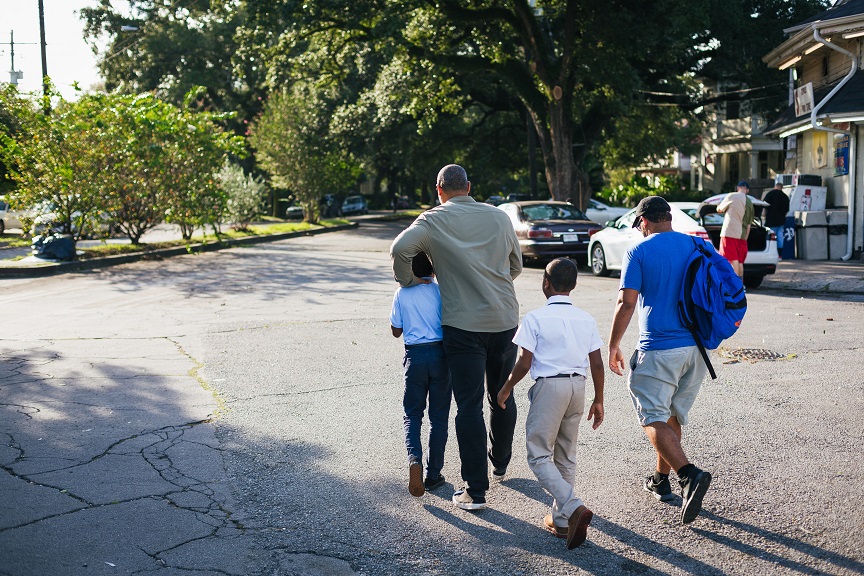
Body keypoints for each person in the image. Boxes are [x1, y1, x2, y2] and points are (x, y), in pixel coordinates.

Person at [390, 164, 522, 511]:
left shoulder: (432, 220)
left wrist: (407, 281)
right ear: (469, 186)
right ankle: (501, 461)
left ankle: (475, 491)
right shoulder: (499, 217)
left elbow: (399, 250)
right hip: (504, 318)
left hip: (463, 326)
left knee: (468, 405)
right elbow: (516, 266)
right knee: (502, 393)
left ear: (439, 189)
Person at [608, 196, 712, 525]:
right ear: (669, 216)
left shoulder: (639, 250)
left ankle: (688, 475)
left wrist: (613, 345)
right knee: (670, 415)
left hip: (658, 348)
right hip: (696, 350)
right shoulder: (696, 245)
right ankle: (660, 480)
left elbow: (627, 303)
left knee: (652, 416)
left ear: (644, 222)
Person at [496, 258, 605, 549]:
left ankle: (573, 506)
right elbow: (596, 362)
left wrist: (506, 387)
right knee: (566, 455)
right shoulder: (586, 318)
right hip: (578, 386)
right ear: (574, 285)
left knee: (539, 454)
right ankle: (560, 520)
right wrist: (599, 399)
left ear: (546, 283)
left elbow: (524, 361)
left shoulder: (535, 318)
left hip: (550, 387)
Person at [390, 252, 451, 498]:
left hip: (414, 357)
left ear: (410, 272)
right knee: (438, 418)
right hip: (440, 356)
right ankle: (433, 474)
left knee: (413, 414)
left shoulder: (402, 294)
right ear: (433, 270)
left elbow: (396, 331)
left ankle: (414, 459)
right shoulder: (441, 291)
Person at [716, 181, 754, 278]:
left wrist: (718, 204)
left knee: (732, 259)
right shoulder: (750, 203)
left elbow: (719, 209)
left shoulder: (732, 196)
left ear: (738, 188)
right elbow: (749, 224)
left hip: (730, 232)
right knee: (740, 261)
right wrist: (745, 238)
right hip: (743, 235)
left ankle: (734, 284)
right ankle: (741, 285)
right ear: (748, 190)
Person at [762, 182, 790, 258]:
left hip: (771, 220)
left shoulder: (770, 194)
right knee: (780, 237)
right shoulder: (785, 197)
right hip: (781, 220)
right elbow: (787, 210)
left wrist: (764, 215)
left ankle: (771, 255)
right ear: (782, 188)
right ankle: (779, 255)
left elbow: (764, 205)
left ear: (775, 187)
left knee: (771, 238)